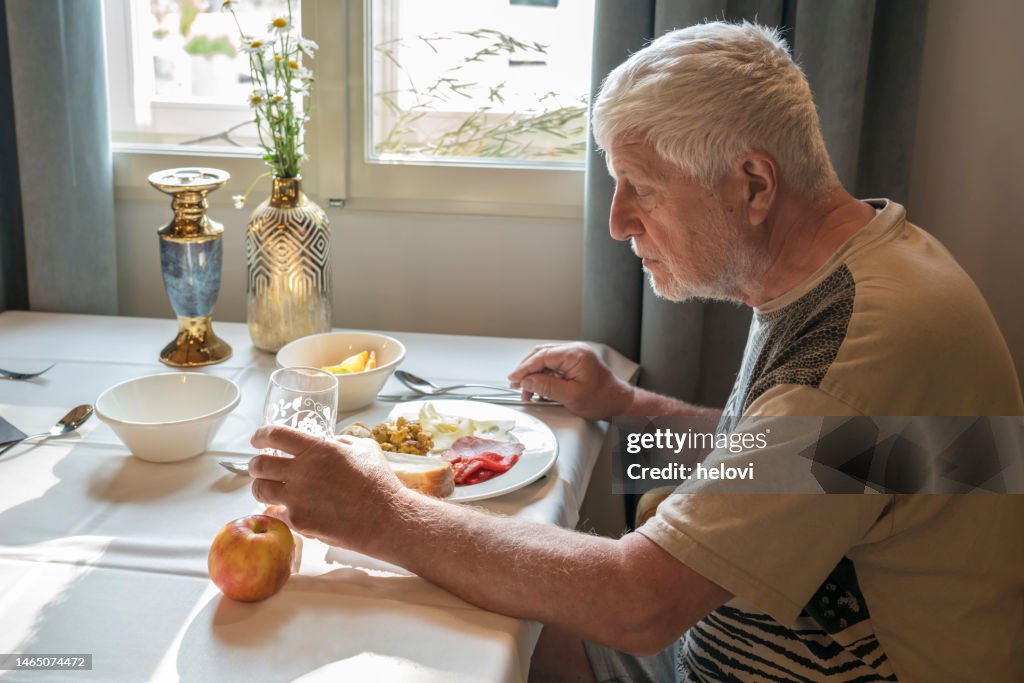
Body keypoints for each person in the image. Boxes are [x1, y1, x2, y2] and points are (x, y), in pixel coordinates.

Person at [248, 21, 1024, 682]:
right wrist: (626, 412)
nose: (618, 222)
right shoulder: (857, 266)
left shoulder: (860, 342)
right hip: (722, 636)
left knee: (431, 619)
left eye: (641, 188)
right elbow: (797, 464)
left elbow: (640, 603)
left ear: (754, 183)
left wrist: (378, 511)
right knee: (465, 605)